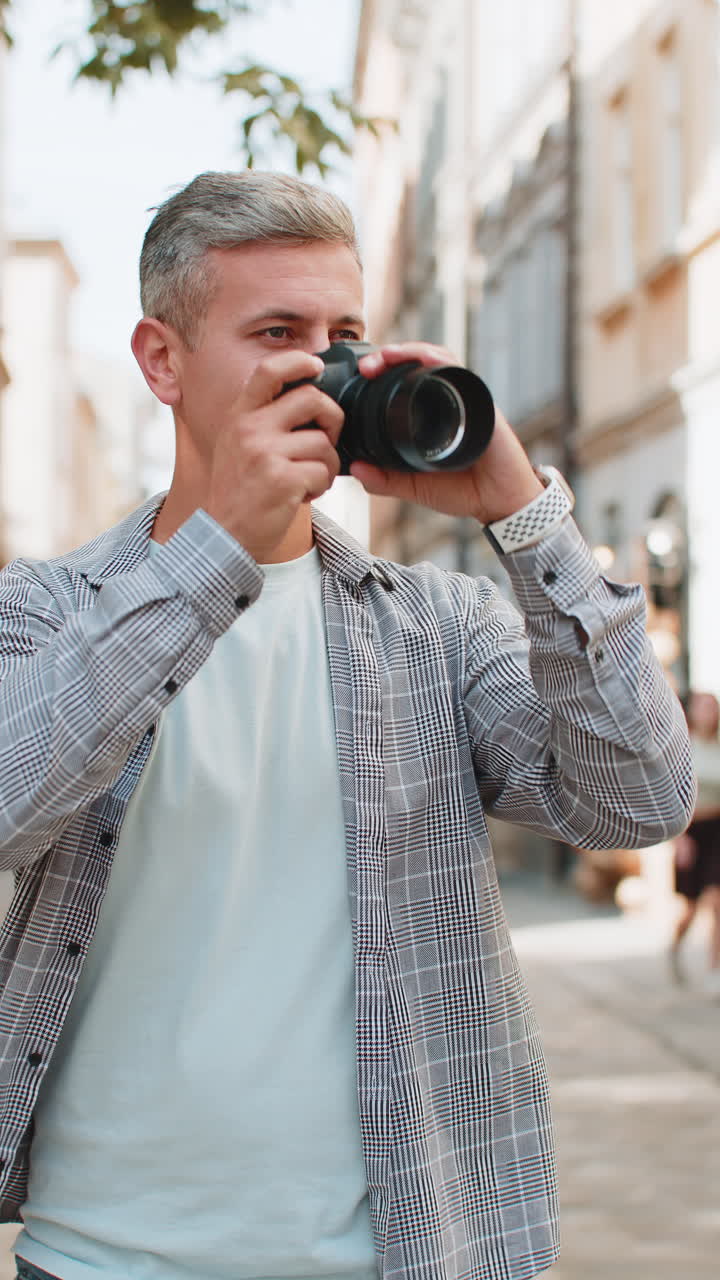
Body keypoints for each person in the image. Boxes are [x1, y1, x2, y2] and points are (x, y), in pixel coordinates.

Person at [0, 170, 694, 1280]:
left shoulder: (440, 625)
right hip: (102, 1253)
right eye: (277, 334)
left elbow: (640, 800)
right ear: (162, 361)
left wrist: (527, 515)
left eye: (345, 338)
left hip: (402, 1252)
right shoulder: (44, 611)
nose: (321, 372)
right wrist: (217, 547)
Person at [670, 690, 720, 992]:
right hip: (691, 831)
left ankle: (715, 968)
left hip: (718, 831)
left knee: (717, 901)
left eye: (713, 707)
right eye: (703, 707)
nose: (708, 713)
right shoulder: (682, 747)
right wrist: (679, 839)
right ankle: (675, 946)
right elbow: (672, 798)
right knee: (690, 908)